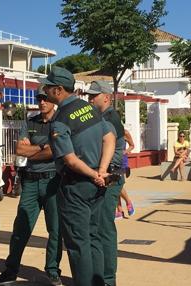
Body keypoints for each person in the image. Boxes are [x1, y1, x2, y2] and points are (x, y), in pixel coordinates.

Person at [40, 66, 115, 286]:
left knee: (77, 244)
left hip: (77, 186)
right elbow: (109, 138)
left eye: (48, 87)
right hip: (96, 186)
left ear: (58, 90)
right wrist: (102, 171)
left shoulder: (61, 119)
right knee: (93, 239)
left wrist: (94, 175)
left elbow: (70, 160)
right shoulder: (89, 108)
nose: (45, 90)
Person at [0, 86, 62, 285]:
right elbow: (20, 150)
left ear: (53, 100)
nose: (41, 102)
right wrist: (43, 147)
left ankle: (52, 271)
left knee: (56, 230)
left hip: (53, 182)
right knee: (21, 227)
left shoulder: (60, 123)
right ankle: (11, 270)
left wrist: (34, 149)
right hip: (30, 181)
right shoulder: (30, 122)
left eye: (45, 98)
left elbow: (56, 150)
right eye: (39, 98)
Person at [86, 80, 125, 286]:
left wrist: (105, 173)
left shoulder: (110, 118)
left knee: (104, 229)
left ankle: (108, 279)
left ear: (107, 97)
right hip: (105, 176)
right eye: (89, 95)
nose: (90, 99)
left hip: (109, 177)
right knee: (98, 228)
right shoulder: (101, 118)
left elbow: (116, 153)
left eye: (94, 95)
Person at [115, 129, 136, 219]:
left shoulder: (125, 132)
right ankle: (120, 211)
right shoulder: (108, 131)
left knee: (118, 185)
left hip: (121, 161)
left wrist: (124, 152)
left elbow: (132, 146)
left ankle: (128, 202)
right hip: (110, 160)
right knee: (113, 185)